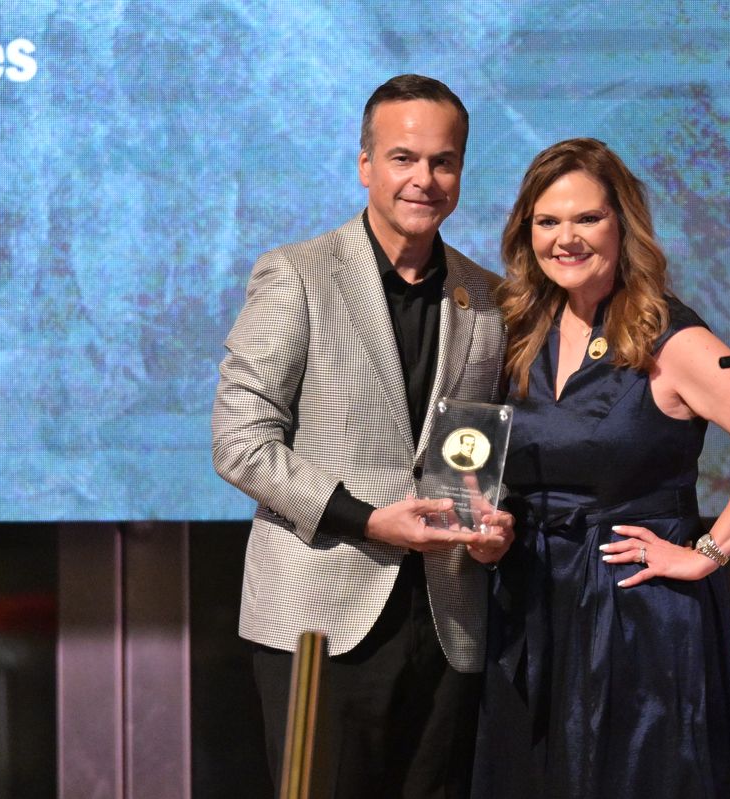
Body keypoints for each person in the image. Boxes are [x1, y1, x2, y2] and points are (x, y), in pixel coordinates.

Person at [475, 138, 730, 799]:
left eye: (586, 218)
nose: (565, 237)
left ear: (621, 224)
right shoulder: (520, 331)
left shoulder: (668, 336)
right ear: (526, 231)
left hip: (634, 614)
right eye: (548, 221)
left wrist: (708, 551)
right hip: (532, 602)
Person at [212, 74, 513, 799]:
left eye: (442, 162)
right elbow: (240, 439)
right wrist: (367, 518)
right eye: (404, 158)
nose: (424, 179)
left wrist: (496, 526)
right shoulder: (297, 275)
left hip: (447, 620)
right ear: (365, 166)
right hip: (319, 621)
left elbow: (488, 452)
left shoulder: (491, 298)